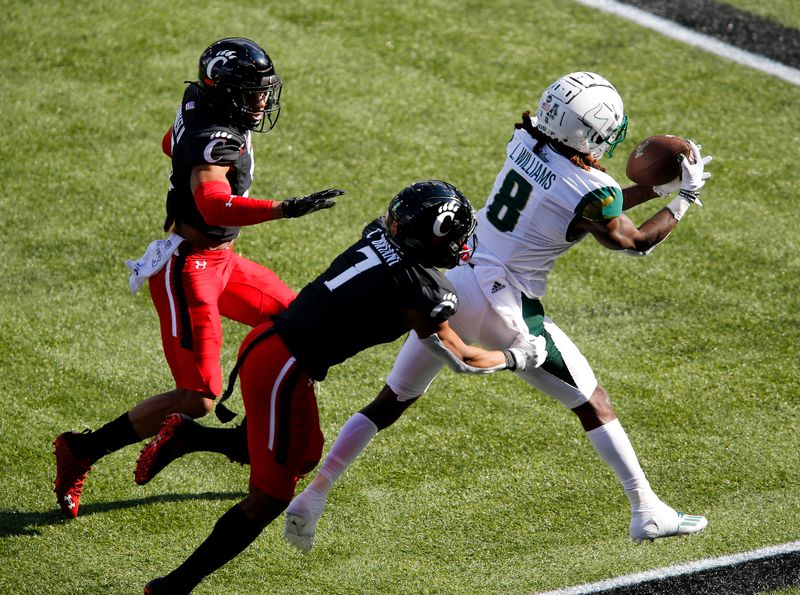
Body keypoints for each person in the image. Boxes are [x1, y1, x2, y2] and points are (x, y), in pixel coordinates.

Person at [282, 71, 713, 549]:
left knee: (393, 399)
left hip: (453, 278)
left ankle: (315, 494)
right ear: (587, 130)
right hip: (505, 302)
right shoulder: (594, 188)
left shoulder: (525, 136)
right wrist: (685, 198)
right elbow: (633, 242)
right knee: (593, 402)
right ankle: (646, 509)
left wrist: (655, 191)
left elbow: (587, 207)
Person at [142, 180, 547, 593]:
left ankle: (188, 436)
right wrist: (520, 356)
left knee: (304, 454)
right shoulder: (424, 291)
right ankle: (173, 586)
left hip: (274, 348)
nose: (463, 242)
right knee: (269, 498)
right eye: (456, 234)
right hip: (285, 367)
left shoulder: (377, 232)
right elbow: (462, 358)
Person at [52, 37, 345, 519]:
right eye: (251, 93)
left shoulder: (200, 101)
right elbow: (212, 202)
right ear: (224, 93)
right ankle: (82, 449)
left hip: (222, 260)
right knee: (200, 396)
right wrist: (284, 209)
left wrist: (184, 160)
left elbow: (172, 140)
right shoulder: (216, 137)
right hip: (188, 267)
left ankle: (263, 441)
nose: (262, 101)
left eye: (263, 91)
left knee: (299, 326)